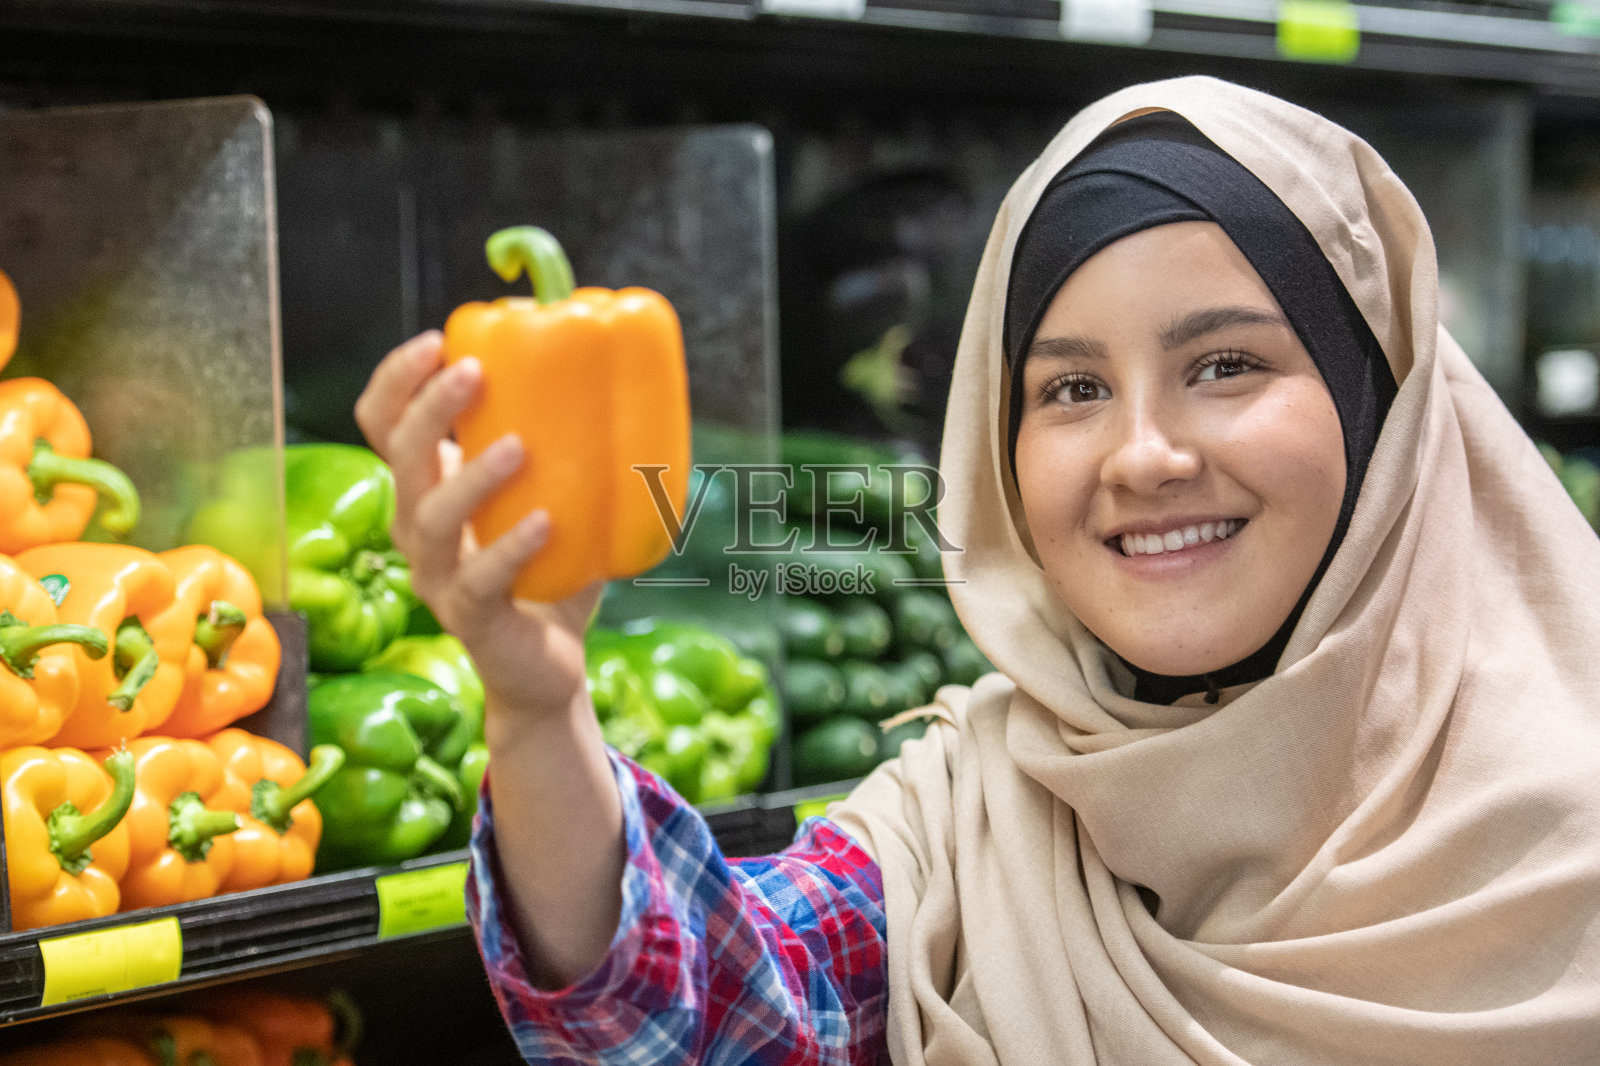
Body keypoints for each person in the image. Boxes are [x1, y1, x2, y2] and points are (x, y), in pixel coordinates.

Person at [353, 76, 1600, 1065]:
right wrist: (535, 705)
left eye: (1225, 365)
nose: (1143, 454)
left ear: (1379, 401)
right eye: (1069, 388)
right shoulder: (982, 812)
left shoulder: (1567, 825)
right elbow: (694, 1018)